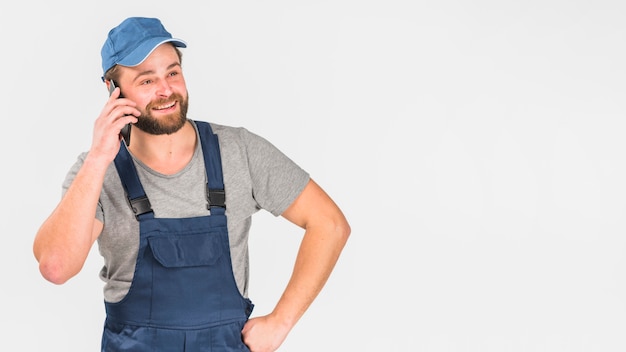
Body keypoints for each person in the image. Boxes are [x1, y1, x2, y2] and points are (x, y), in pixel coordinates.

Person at [33, 16, 350, 352]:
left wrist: (280, 322)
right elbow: (56, 267)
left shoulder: (238, 152)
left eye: (172, 72)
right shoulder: (95, 172)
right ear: (113, 91)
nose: (166, 90)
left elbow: (329, 224)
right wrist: (99, 158)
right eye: (146, 81)